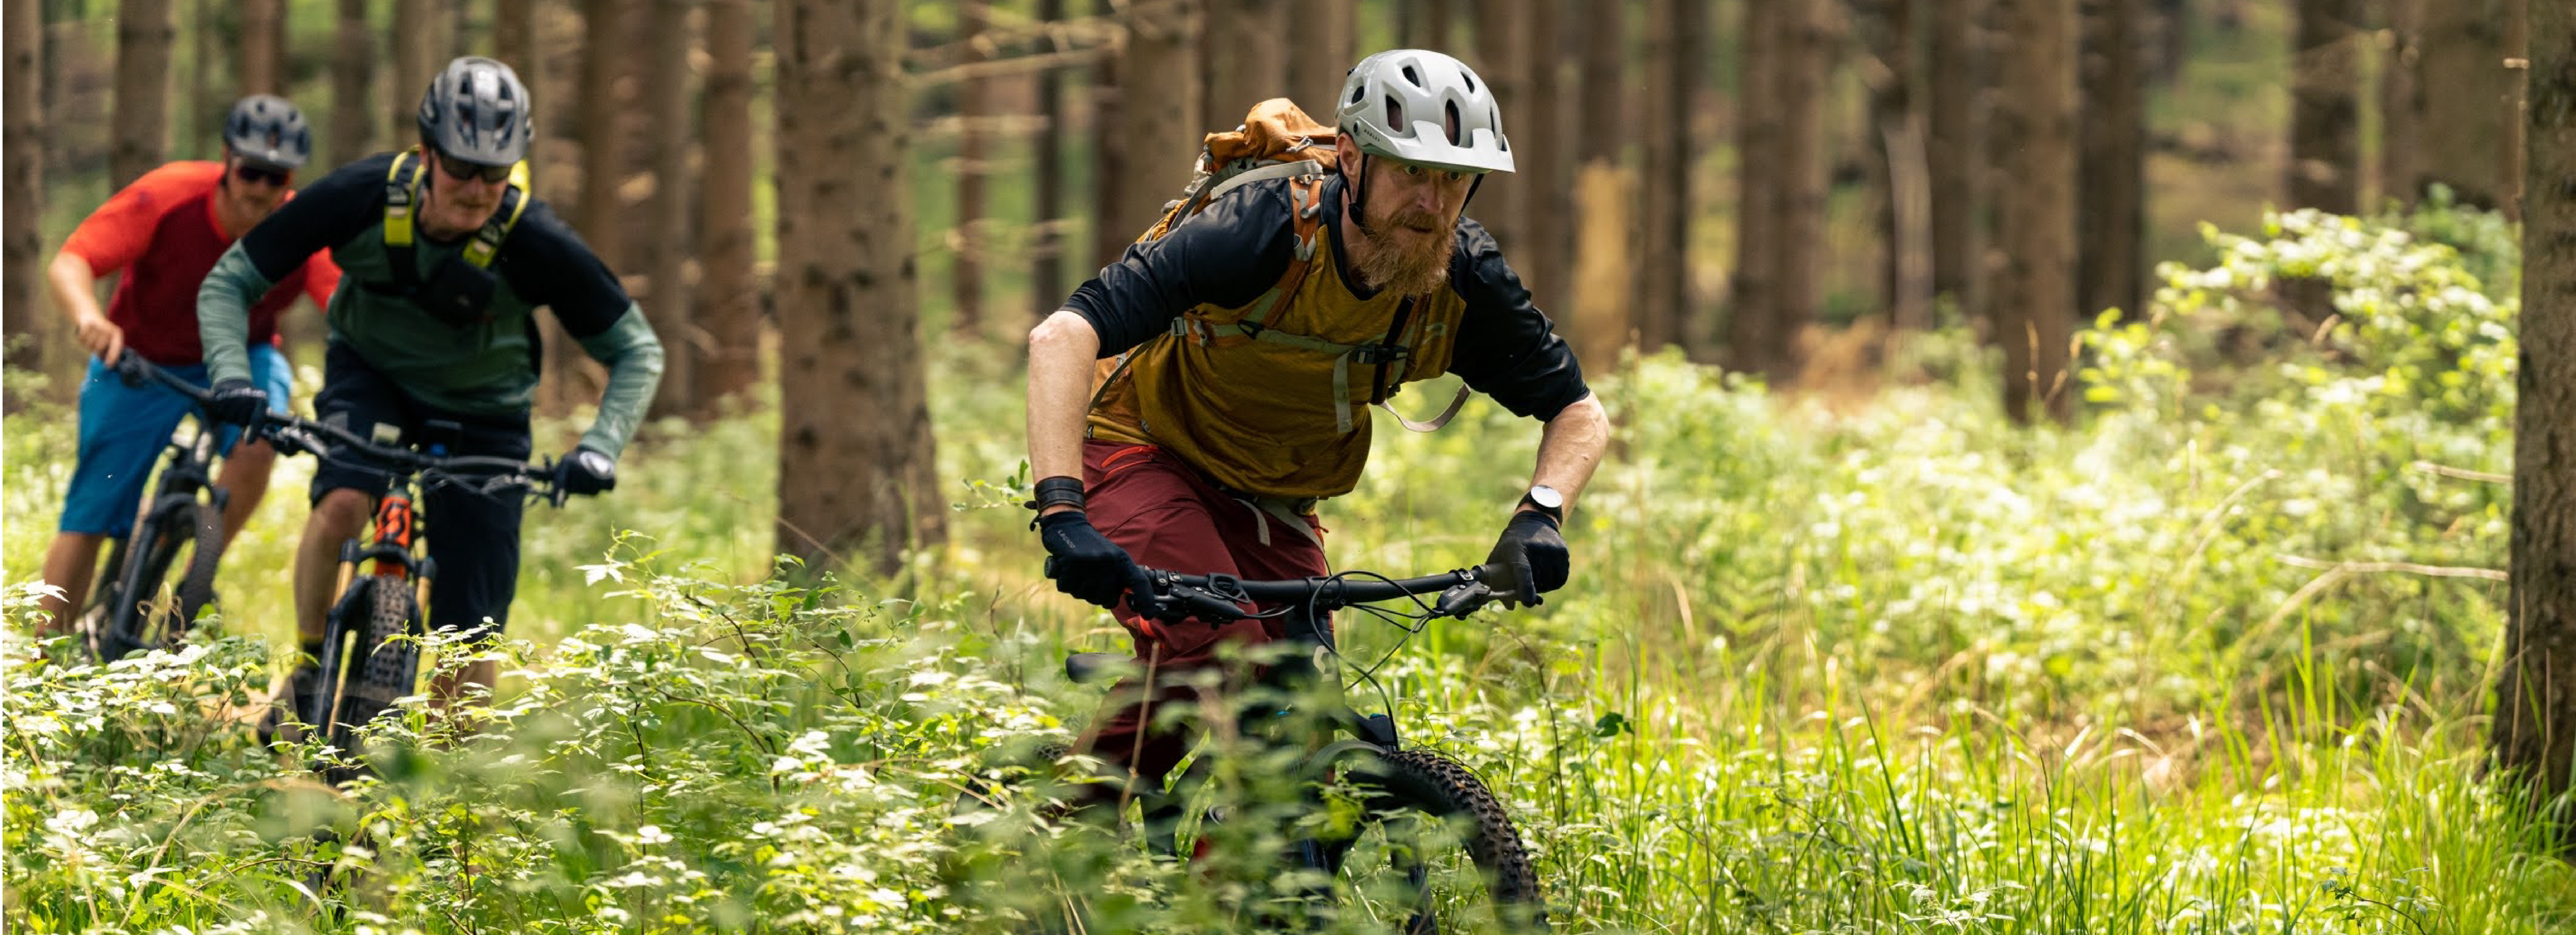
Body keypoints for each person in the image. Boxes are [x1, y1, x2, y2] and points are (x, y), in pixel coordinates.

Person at [1023, 49, 1611, 801]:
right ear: (1350, 159)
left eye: (1454, 180)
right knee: (1235, 667)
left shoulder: (1464, 278)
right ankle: (1122, 867)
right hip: (1140, 447)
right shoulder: (1257, 233)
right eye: (1411, 173)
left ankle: (1092, 829)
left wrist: (1543, 515)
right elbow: (1062, 336)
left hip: (1273, 493)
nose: (1432, 204)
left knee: (1301, 723)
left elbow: (1578, 411)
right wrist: (1063, 512)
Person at [193, 57, 663, 731]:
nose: (478, 189)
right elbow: (230, 280)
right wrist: (233, 376)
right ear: (426, 154)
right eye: (463, 168)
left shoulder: (536, 240)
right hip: (371, 376)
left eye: (495, 172)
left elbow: (636, 350)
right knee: (343, 503)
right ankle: (306, 666)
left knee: (471, 627)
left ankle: (444, 802)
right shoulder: (360, 194)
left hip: (487, 412)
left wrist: (599, 448)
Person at [35, 95, 342, 639]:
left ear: (292, 179)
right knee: (92, 512)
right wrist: (89, 318)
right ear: (227, 159)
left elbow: (347, 310)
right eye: (251, 171)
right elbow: (73, 261)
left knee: (260, 441)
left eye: (277, 178)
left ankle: (193, 576)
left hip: (244, 357)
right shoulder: (170, 194)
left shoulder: (302, 231)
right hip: (140, 357)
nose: (260, 189)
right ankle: (41, 671)